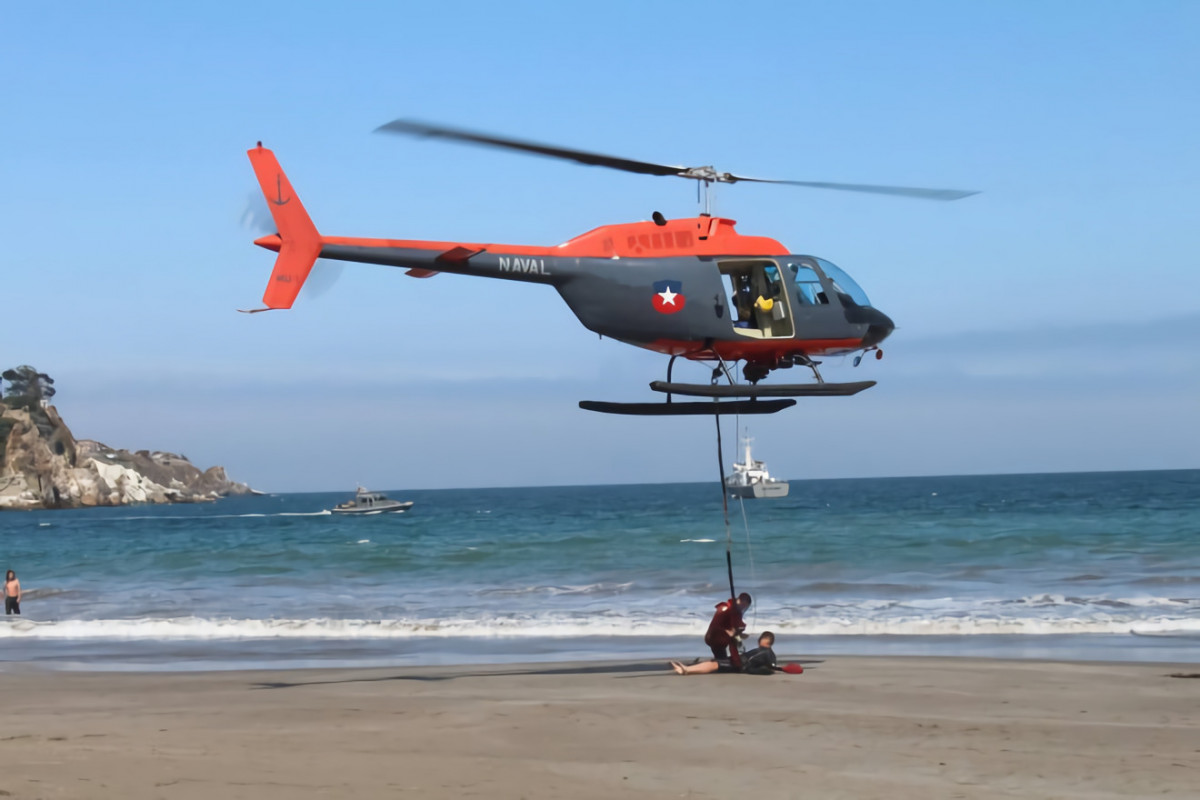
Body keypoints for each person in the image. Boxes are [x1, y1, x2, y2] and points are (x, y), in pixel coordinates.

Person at [670, 631, 778, 675]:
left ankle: (686, 670)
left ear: (760, 640)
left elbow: (769, 670)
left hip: (740, 664)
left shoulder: (766, 653)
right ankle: (688, 668)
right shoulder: (770, 654)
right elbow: (770, 667)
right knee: (715, 662)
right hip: (740, 661)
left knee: (715, 664)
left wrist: (749, 670)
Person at [704, 592, 751, 669]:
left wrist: (740, 634)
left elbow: (734, 626)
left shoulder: (736, 612)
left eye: (745, 607)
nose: (743, 608)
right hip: (714, 638)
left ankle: (717, 662)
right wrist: (727, 631)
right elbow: (715, 626)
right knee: (722, 661)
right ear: (739, 601)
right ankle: (710, 665)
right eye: (743, 605)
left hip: (723, 640)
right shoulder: (725, 609)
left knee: (723, 658)